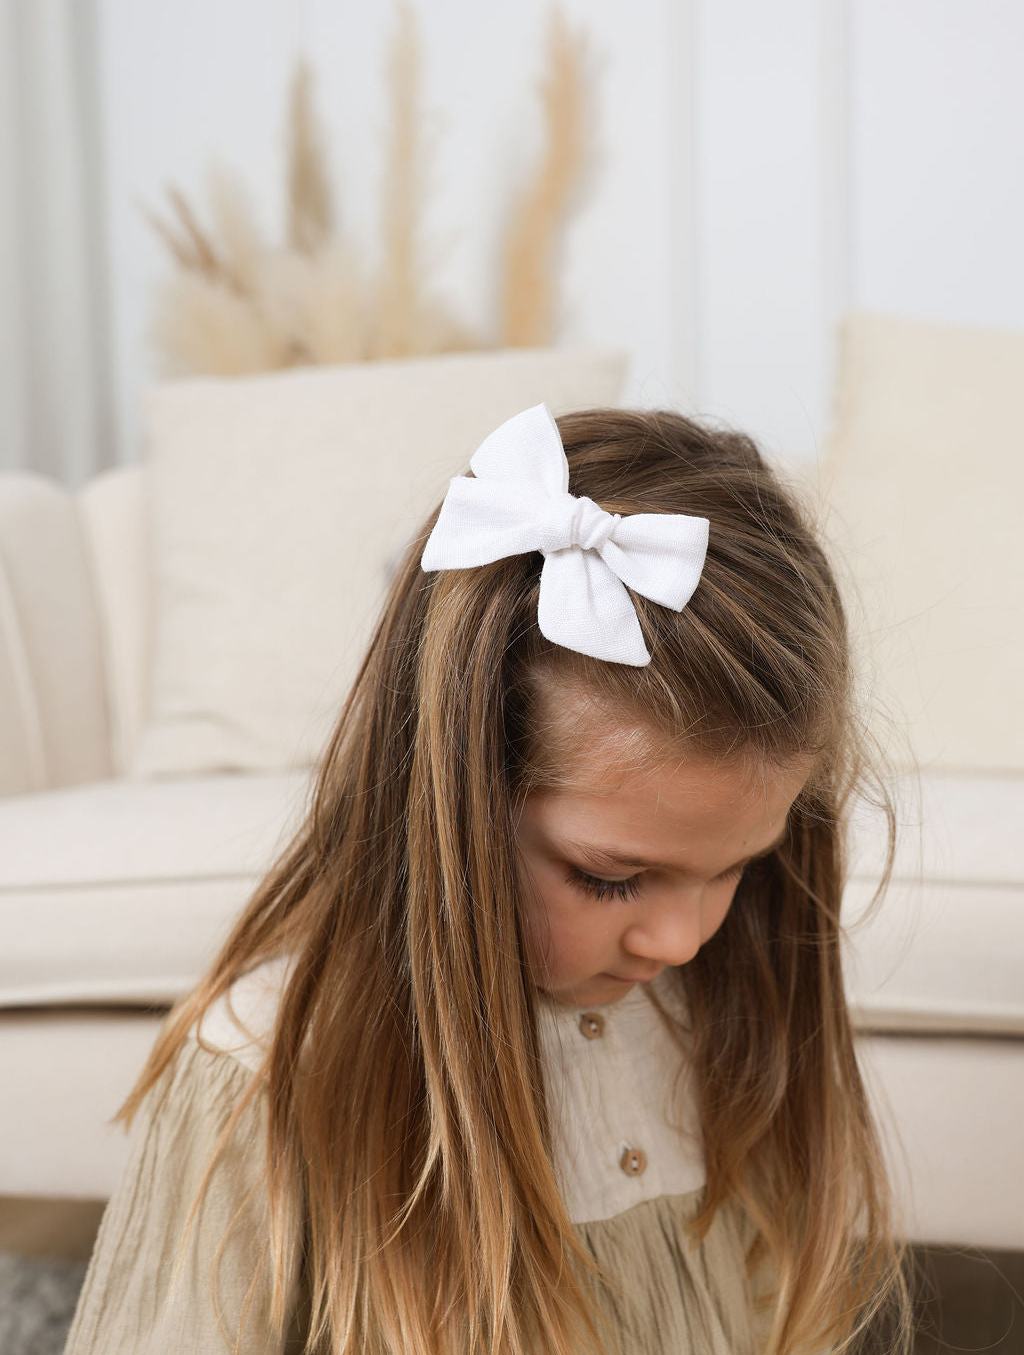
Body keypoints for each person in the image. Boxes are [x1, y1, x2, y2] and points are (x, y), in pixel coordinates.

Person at [64, 401, 911, 1355]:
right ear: (451, 804)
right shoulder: (266, 1073)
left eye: (737, 871)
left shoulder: (719, 1013)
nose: (681, 942)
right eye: (613, 880)